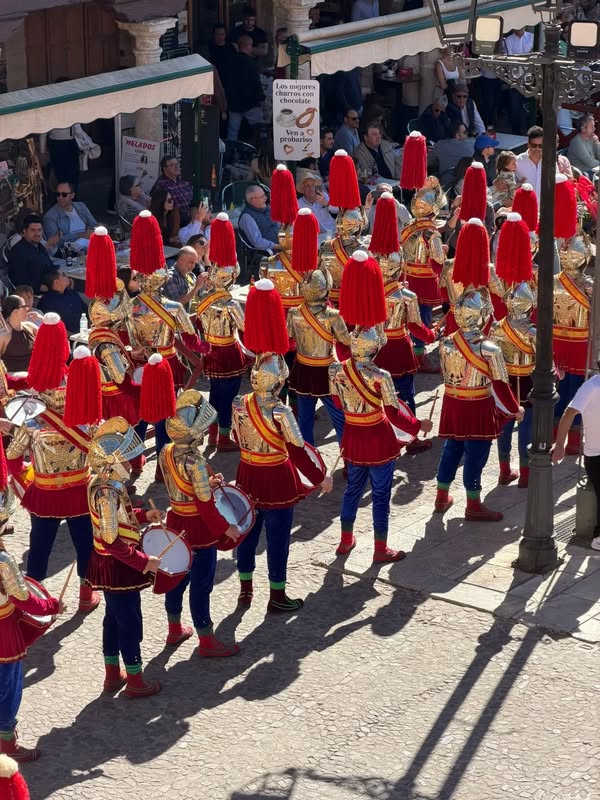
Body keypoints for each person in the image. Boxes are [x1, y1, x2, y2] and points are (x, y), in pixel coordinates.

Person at [232, 280, 331, 613]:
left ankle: (245, 589)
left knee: (247, 533)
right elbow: (298, 448)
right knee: (276, 540)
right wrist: (321, 475)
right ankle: (277, 594)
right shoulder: (279, 409)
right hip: (275, 475)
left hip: (246, 472)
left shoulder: (238, 402)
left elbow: (234, 438)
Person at [329, 254, 433, 562]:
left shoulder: (337, 371)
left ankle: (345, 540)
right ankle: (379, 548)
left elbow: (336, 402)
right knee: (380, 495)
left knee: (351, 492)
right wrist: (417, 427)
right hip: (377, 437)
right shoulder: (380, 375)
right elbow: (393, 412)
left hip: (352, 435)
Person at [5, 318, 101, 615]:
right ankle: (87, 595)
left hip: (45, 490)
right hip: (79, 490)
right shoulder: (81, 392)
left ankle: (36, 601)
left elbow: (12, 456)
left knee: (40, 547)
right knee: (86, 545)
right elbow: (99, 449)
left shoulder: (31, 410)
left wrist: (26, 480)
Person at [86, 417, 163, 697]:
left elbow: (122, 519)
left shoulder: (111, 484)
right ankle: (135, 679)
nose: (132, 464)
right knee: (129, 622)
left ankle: (112, 674)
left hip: (116, 562)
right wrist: (143, 562)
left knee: (113, 618)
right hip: (118, 564)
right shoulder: (107, 491)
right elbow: (112, 540)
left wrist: (145, 516)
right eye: (127, 460)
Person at [160, 392, 241, 655]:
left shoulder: (166, 451)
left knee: (175, 577)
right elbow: (205, 505)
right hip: (198, 527)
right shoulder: (194, 461)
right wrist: (225, 527)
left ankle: (174, 629)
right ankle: (206, 639)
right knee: (201, 584)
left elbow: (185, 487)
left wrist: (210, 480)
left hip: (175, 521)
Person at [434, 290, 522, 521]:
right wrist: (515, 408)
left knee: (451, 448)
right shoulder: (489, 348)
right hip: (477, 405)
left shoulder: (445, 342)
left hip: (453, 402)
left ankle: (441, 496)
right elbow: (501, 384)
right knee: (476, 454)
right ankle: (473, 503)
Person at [286, 212, 349, 446]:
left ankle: (308, 457)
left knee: (304, 418)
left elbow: (290, 337)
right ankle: (346, 453)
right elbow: (345, 340)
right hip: (326, 369)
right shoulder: (333, 315)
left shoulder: (294, 313)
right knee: (338, 416)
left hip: (303, 366)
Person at [0, 541, 66, 760]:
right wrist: (52, 606)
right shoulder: (2, 561)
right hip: (3, 639)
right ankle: (6, 744)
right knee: (8, 692)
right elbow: (24, 599)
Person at [196, 216, 250, 452]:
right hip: (228, 350)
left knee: (216, 393)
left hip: (211, 349)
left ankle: (213, 433)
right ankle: (225, 436)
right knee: (228, 394)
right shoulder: (229, 303)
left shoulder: (203, 298)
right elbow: (244, 327)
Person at [553, 368, 600, 549]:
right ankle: (598, 537)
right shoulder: (591, 387)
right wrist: (559, 445)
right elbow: (569, 413)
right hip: (596, 453)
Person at [223, 34, 265, 142]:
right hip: (250, 103)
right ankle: (258, 152)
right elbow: (255, 83)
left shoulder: (229, 62)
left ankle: (231, 155)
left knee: (233, 132)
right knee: (259, 128)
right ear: (249, 46)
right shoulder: (251, 63)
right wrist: (261, 98)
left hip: (234, 103)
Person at [42, 182, 97, 252]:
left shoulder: (81, 206)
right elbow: (54, 242)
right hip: (71, 250)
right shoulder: (50, 216)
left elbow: (94, 224)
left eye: (64, 195)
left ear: (72, 196)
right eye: (58, 194)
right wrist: (80, 235)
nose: (60, 197)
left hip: (90, 242)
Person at [6, 215, 54, 293]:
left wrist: (61, 276)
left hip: (50, 287)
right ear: (25, 231)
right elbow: (18, 279)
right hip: (32, 294)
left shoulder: (40, 247)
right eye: (33, 230)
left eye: (39, 230)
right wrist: (39, 287)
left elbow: (50, 267)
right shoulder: (18, 251)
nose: (37, 233)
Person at [503, 28, 535, 134]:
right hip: (515, 80)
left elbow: (535, 57)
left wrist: (522, 58)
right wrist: (527, 56)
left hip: (530, 80)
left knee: (530, 108)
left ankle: (529, 132)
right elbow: (510, 59)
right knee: (515, 109)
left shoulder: (532, 37)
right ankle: (516, 133)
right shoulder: (508, 40)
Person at [36, 269, 87, 334]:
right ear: (56, 282)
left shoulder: (71, 293)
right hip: (70, 339)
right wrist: (74, 337)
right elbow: (55, 328)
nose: (67, 277)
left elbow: (86, 311)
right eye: (64, 275)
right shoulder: (47, 302)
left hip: (86, 332)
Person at [238, 185, 282, 253]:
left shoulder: (268, 209)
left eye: (265, 195)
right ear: (252, 200)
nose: (266, 198)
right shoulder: (247, 217)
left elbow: (279, 226)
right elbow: (258, 242)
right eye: (262, 196)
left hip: (282, 247)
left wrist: (285, 241)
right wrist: (278, 246)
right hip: (269, 253)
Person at [39, 123, 83, 189]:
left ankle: (63, 195)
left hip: (58, 144)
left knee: (60, 175)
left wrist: (42, 151)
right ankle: (69, 196)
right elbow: (78, 130)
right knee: (70, 176)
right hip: (67, 143)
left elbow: (43, 131)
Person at [0, 296, 37, 374]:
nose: (27, 309)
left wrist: (42, 318)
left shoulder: (30, 326)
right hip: (13, 381)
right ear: (15, 311)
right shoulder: (4, 335)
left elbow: (50, 339)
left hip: (34, 376)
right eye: (24, 306)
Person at [432, 121, 474, 188]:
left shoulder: (439, 145)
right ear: (457, 135)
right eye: (465, 132)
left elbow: (427, 162)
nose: (467, 134)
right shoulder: (470, 145)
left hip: (445, 185)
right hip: (465, 185)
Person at [152, 156, 193, 221]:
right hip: (176, 221)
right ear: (165, 169)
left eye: (177, 164)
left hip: (191, 216)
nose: (176, 167)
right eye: (172, 165)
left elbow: (191, 200)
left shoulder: (184, 181)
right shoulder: (161, 184)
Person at [296, 169, 336, 234]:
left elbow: (336, 210)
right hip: (315, 235)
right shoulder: (299, 204)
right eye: (307, 186)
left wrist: (326, 203)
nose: (310, 188)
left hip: (332, 229)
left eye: (312, 185)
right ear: (303, 189)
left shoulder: (323, 195)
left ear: (315, 187)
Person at [516, 125, 544, 200]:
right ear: (528, 144)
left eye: (540, 146)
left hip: (545, 209)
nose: (537, 149)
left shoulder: (550, 161)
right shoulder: (517, 161)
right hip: (524, 208)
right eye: (534, 145)